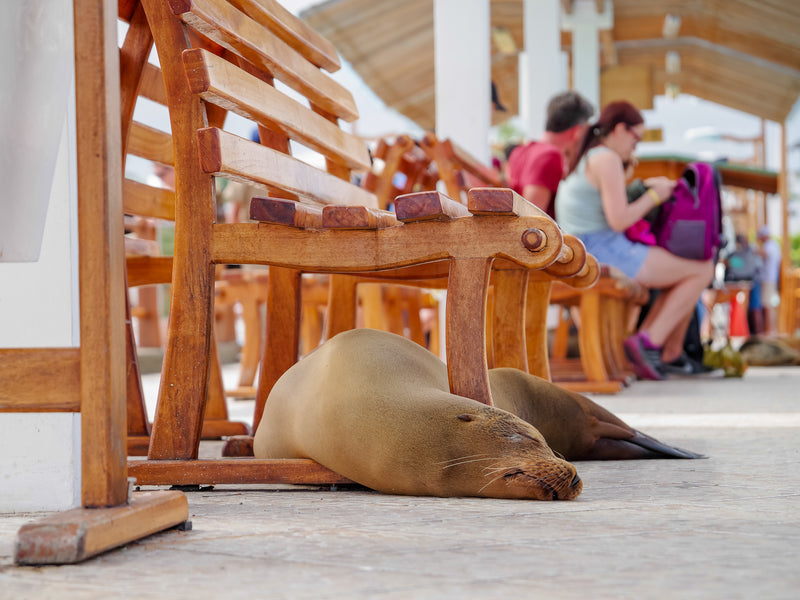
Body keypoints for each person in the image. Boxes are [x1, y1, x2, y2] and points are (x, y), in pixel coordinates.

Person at [555, 100, 715, 380]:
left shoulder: (589, 156)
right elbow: (619, 219)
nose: (635, 146)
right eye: (636, 138)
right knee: (702, 268)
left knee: (682, 274)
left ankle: (656, 347)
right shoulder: (607, 159)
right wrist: (655, 195)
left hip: (585, 248)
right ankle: (648, 342)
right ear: (620, 129)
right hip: (601, 250)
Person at [506, 91, 594, 218]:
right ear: (578, 131)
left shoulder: (520, 150)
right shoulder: (550, 155)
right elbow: (531, 218)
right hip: (540, 235)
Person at [724, 233, 764, 334]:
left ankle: (757, 332)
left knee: (755, 308)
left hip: (750, 282)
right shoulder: (737, 254)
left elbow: (734, 264)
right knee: (747, 308)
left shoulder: (749, 252)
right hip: (740, 282)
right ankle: (750, 332)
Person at [756, 225, 782, 335]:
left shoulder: (769, 246)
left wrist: (754, 250)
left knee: (768, 306)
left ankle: (771, 331)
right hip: (772, 279)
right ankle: (772, 330)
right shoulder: (775, 245)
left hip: (768, 280)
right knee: (771, 305)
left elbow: (764, 254)